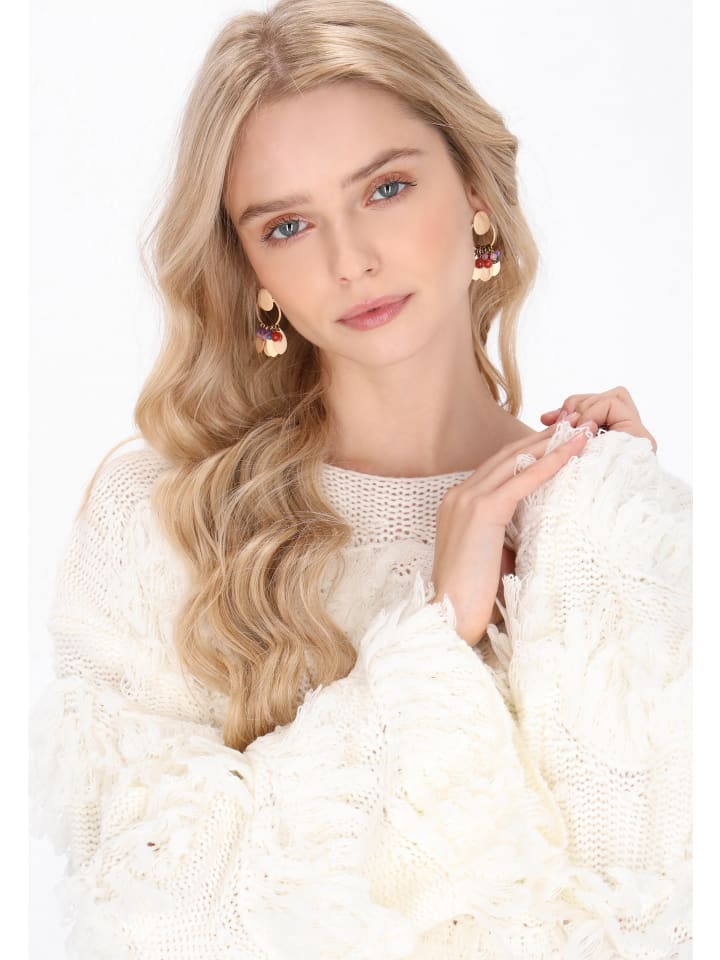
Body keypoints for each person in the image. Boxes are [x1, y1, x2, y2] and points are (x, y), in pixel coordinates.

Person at [29, 1, 690, 957]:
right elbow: (142, 923)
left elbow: (635, 927)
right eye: (288, 225)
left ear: (475, 190)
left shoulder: (597, 529)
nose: (351, 261)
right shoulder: (160, 526)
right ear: (252, 270)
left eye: (385, 189)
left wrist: (607, 525)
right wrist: (436, 636)